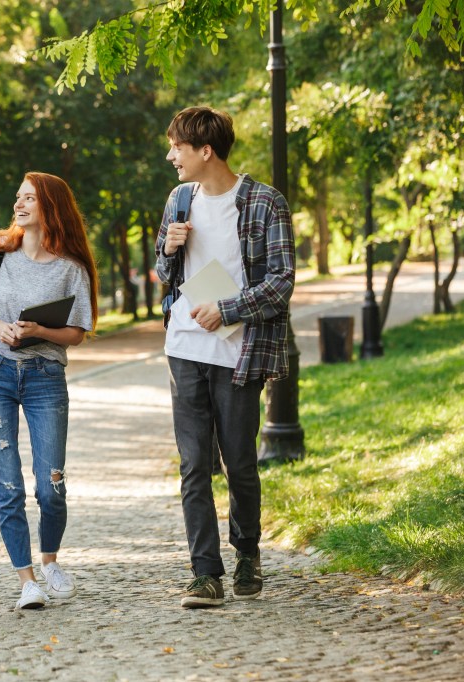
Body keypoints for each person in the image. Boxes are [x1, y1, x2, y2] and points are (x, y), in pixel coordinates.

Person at [156, 106, 295, 608]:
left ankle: (247, 553)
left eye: (177, 147)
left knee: (238, 461)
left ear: (205, 150)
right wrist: (168, 251)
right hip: (184, 348)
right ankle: (204, 573)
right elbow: (162, 271)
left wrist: (228, 308)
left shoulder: (263, 202)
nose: (171, 156)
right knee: (194, 465)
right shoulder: (178, 199)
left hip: (239, 351)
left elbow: (281, 282)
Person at [0, 172, 98, 610]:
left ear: (50, 207)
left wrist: (39, 329)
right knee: (8, 486)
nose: (19, 204)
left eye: (29, 198)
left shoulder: (71, 268)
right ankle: (26, 579)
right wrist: (0, 327)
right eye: (17, 196)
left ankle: (51, 561)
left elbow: (77, 333)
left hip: (45, 377)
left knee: (50, 485)